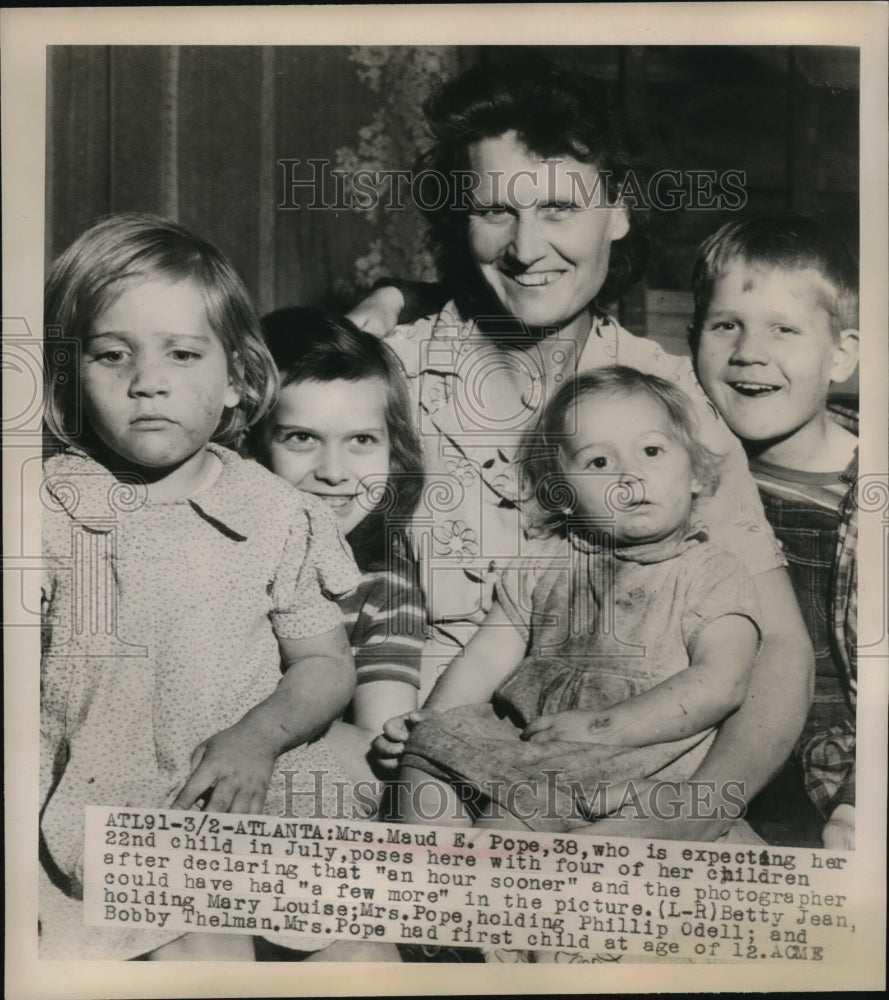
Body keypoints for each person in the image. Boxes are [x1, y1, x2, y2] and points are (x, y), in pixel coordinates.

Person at [348, 54, 813, 841]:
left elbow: (778, 656)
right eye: (495, 210)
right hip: (423, 764)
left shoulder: (669, 399)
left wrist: (681, 823)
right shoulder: (386, 377)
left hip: (636, 773)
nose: (527, 248)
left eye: (561, 207)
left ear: (619, 212)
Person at [40, 214, 360, 961]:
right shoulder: (44, 509)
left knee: (359, 951)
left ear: (238, 377)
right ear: (69, 376)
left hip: (255, 778)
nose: (147, 381)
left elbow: (325, 663)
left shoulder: (276, 512)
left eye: (182, 354)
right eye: (111, 354)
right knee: (207, 953)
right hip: (111, 800)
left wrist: (258, 738)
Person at [375, 368, 761, 832]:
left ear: (696, 472)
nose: (629, 474)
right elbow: (486, 656)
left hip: (632, 765)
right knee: (426, 756)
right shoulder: (544, 563)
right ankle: (418, 870)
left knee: (509, 824)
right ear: (564, 493)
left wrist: (604, 726)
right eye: (598, 462)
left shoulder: (711, 571)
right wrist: (431, 719)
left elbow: (722, 681)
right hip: (530, 748)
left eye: (652, 451)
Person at [246, 308, 427, 963]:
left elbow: (382, 749)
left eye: (360, 441)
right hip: (208, 793)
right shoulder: (214, 555)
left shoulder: (384, 580)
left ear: (394, 450)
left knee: (360, 951)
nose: (333, 471)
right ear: (249, 441)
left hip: (307, 817)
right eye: (299, 439)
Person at [690, 213, 859, 850]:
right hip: (716, 769)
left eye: (784, 329)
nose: (749, 351)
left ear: (842, 354)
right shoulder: (677, 479)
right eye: (725, 324)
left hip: (841, 786)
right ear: (691, 337)